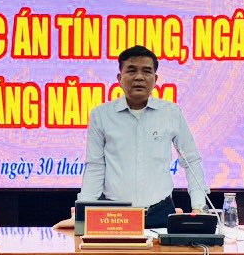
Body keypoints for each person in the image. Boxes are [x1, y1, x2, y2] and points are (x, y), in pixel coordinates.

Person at [65, 44, 209, 229]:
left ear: (155, 79)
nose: (139, 77)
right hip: (114, 215)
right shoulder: (101, 115)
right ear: (119, 78)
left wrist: (199, 206)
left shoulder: (171, 113)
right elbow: (95, 166)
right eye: (131, 70)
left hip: (160, 211)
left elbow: (191, 161)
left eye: (146, 71)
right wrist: (82, 215)